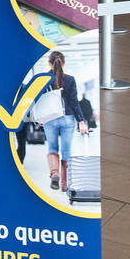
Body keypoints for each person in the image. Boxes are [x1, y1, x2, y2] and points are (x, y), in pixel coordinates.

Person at [43, 50, 89, 193]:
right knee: (66, 150)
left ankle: (54, 173)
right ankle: (65, 184)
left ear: (49, 63)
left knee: (52, 148)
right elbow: (74, 102)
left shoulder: (43, 79)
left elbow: (39, 101)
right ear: (64, 63)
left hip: (49, 118)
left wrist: (40, 118)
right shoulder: (70, 79)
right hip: (68, 118)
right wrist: (81, 121)